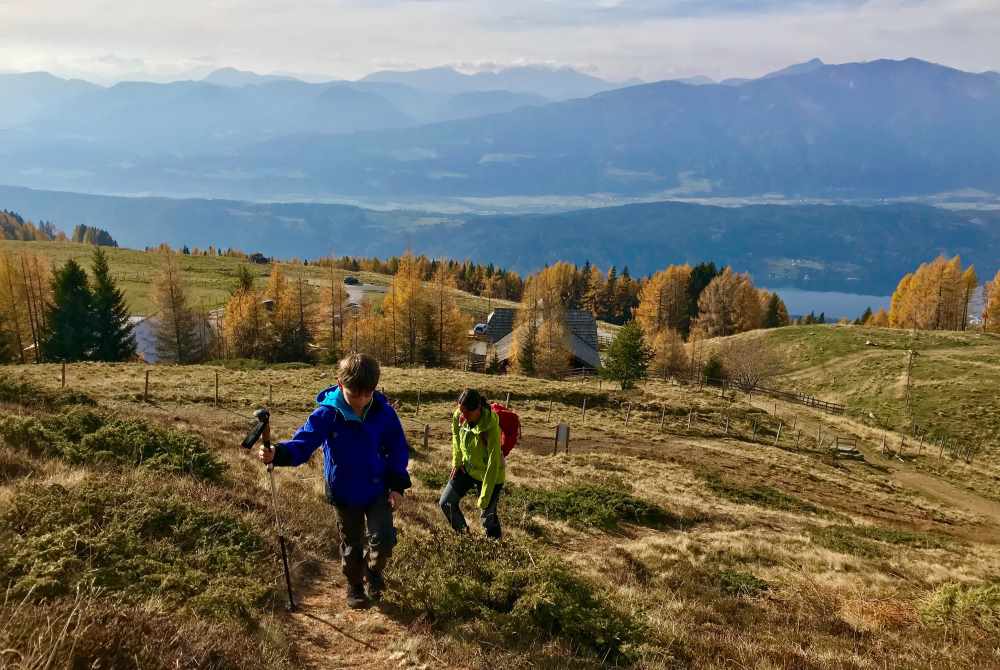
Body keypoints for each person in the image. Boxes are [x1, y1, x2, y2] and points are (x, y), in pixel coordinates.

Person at [259, 353, 411, 609]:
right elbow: (303, 444)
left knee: (384, 539)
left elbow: (397, 449)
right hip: (344, 490)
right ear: (340, 384)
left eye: (368, 393)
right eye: (355, 394)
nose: (362, 400)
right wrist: (278, 453)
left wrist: (397, 486)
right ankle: (354, 586)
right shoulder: (327, 414)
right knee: (351, 545)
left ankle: (373, 572)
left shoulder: (384, 413)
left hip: (378, 487)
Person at [439, 388, 505, 539]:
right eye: (461, 410)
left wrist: (485, 497)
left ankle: (497, 550)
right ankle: (466, 539)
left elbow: (493, 461)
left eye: (467, 412)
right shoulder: (459, 415)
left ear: (478, 409)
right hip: (467, 468)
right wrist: (457, 461)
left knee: (487, 517)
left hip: (491, 475)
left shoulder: (491, 426)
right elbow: (456, 435)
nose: (463, 416)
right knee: (446, 503)